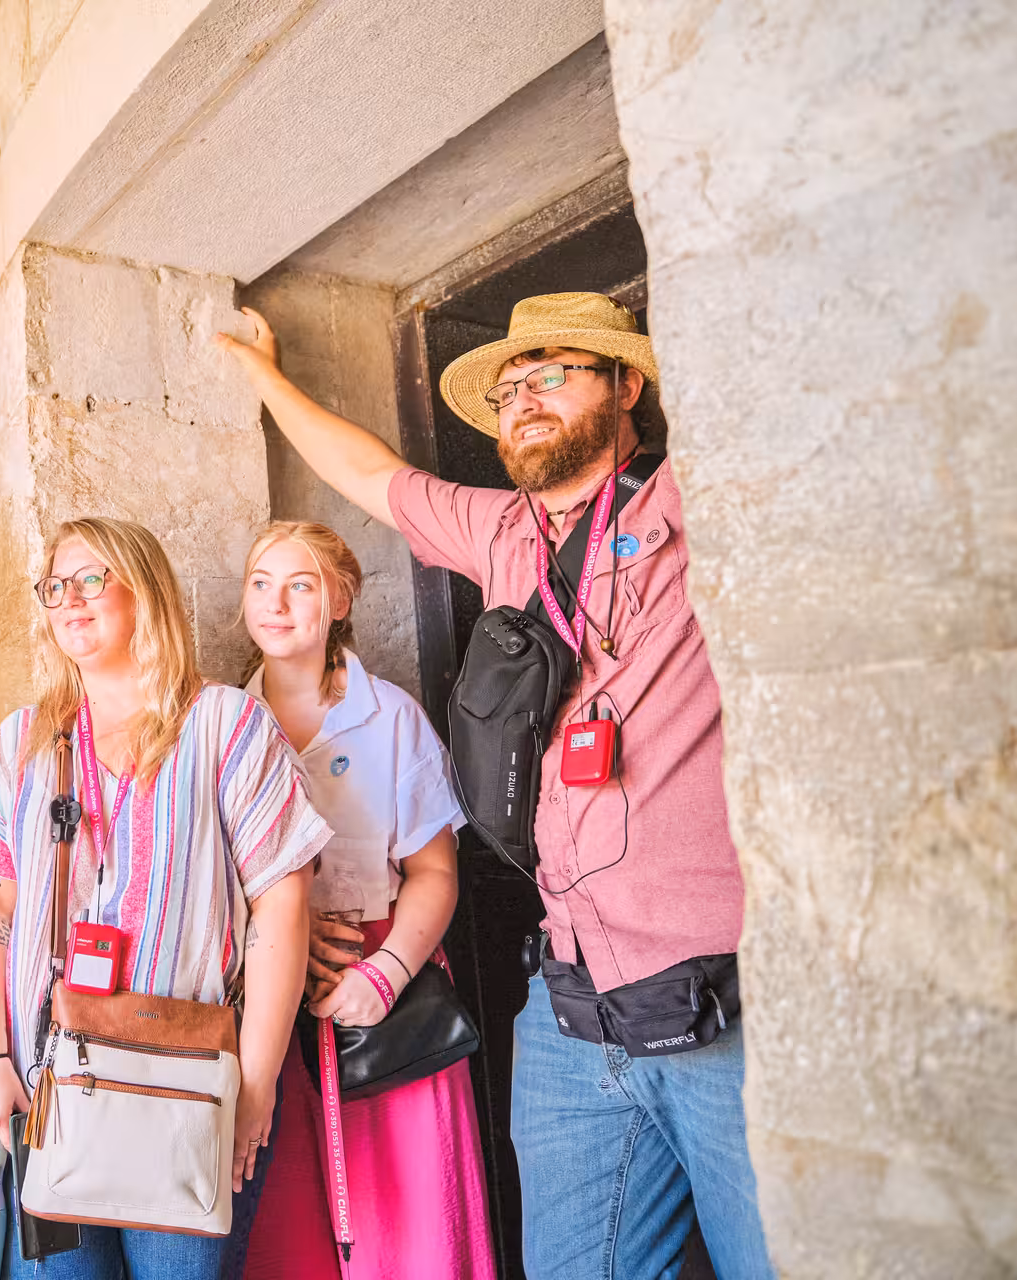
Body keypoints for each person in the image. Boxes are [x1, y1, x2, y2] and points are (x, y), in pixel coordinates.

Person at [214, 294, 774, 1280]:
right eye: (508, 389)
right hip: (569, 1010)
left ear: (626, 385)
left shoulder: (701, 497)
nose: (521, 400)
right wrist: (261, 374)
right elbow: (372, 476)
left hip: (721, 1007)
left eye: (550, 374)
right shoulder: (502, 535)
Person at [0, 516, 326, 1280]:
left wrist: (251, 1088)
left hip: (188, 1090)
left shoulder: (228, 726)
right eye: (56, 586)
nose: (70, 601)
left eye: (92, 579)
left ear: (143, 592)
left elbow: (282, 913)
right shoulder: (23, 741)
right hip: (47, 1087)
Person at [236, 520, 497, 1280]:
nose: (276, 604)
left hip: (387, 988)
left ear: (340, 599)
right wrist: (279, 934)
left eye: (300, 584)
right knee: (288, 1232)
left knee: (409, 1225)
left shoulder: (391, 718)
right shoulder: (222, 721)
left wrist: (384, 974)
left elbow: (435, 873)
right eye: (261, 584)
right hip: (268, 1002)